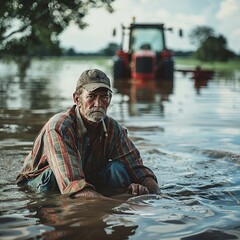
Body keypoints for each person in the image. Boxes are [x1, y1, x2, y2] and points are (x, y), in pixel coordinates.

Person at [16, 69, 160, 198]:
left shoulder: (113, 129)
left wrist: (155, 196)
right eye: (91, 96)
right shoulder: (60, 127)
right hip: (40, 181)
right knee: (51, 179)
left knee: (117, 169)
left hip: (85, 176)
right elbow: (73, 185)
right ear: (77, 99)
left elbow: (138, 170)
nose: (98, 103)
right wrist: (112, 206)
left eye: (104, 97)